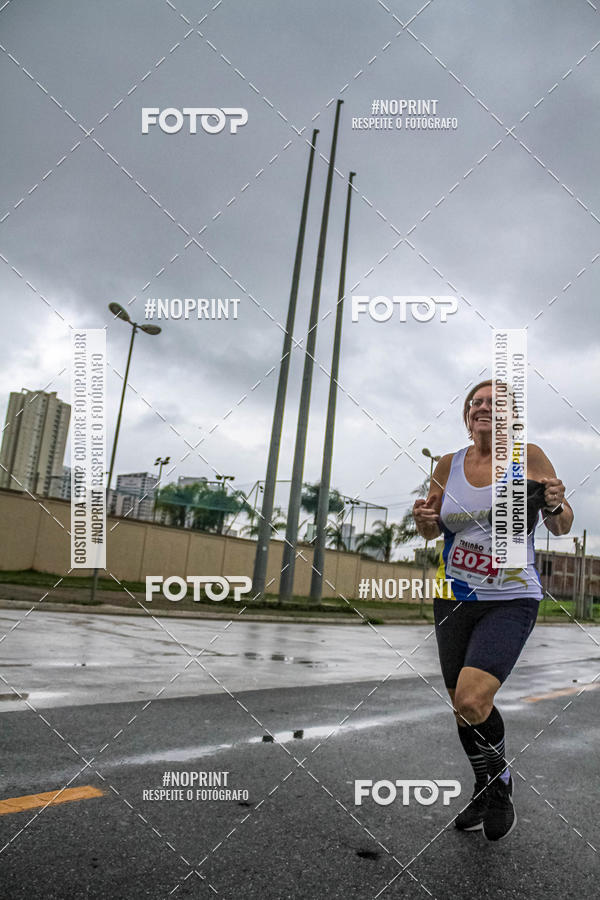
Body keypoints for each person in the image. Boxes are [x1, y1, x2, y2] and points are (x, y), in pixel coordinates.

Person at [413, 378, 573, 841]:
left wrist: (555, 503)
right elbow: (431, 528)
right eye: (475, 403)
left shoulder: (530, 456)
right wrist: (423, 520)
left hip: (510, 597)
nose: (482, 407)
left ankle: (499, 783)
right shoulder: (448, 464)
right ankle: (486, 785)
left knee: (472, 699)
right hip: (454, 597)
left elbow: (562, 525)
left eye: (494, 403)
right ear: (467, 417)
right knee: (463, 709)